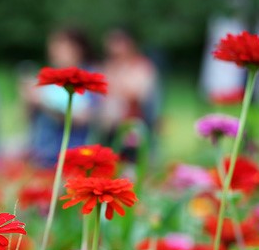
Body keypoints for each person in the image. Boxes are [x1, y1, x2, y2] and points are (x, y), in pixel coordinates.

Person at [22, 28, 99, 167]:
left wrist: (44, 102)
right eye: (53, 48)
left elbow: (83, 117)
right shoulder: (47, 77)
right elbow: (29, 120)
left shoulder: (89, 77)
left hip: (74, 154)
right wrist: (28, 101)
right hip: (44, 154)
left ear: (78, 49)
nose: (55, 52)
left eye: (61, 48)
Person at [100, 28, 159, 160]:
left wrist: (116, 87)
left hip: (132, 123)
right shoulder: (108, 65)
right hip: (109, 124)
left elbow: (139, 93)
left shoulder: (141, 66)